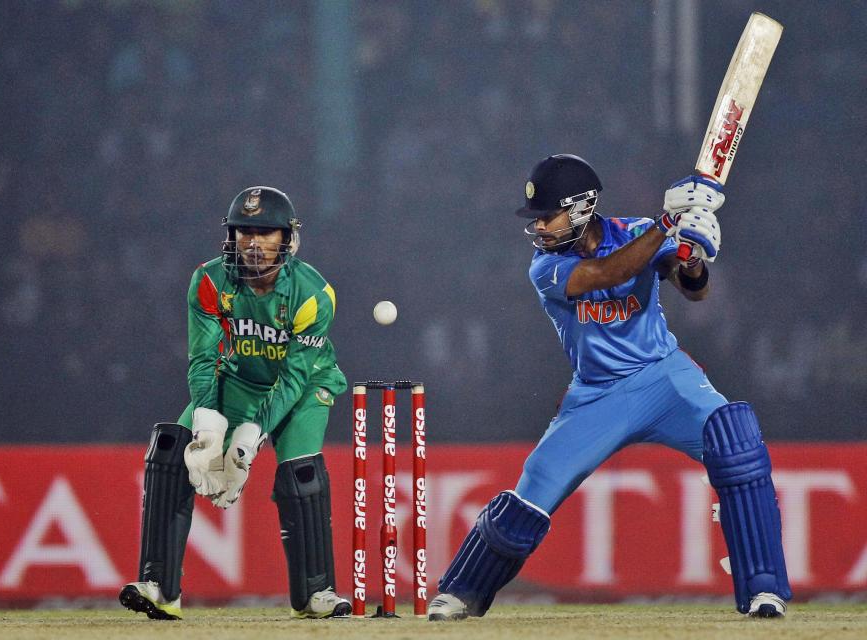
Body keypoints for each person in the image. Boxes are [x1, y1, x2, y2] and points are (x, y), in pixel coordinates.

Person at [427, 154, 791, 620]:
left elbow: (694, 290)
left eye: (547, 217)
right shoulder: (545, 268)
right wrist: (669, 223)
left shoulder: (637, 232)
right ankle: (462, 591)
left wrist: (693, 257)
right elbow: (606, 274)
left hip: (664, 377)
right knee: (537, 482)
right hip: (596, 393)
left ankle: (765, 590)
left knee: (736, 442)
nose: (539, 229)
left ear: (581, 208)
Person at [119, 186, 351, 620]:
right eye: (245, 232)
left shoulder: (314, 293)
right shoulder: (209, 280)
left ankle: (316, 593)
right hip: (239, 377)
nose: (254, 243)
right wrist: (208, 423)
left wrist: (249, 438)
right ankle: (159, 585)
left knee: (300, 470)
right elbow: (203, 358)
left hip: (303, 388)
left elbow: (294, 375)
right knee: (172, 447)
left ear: (287, 239)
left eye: (266, 233)